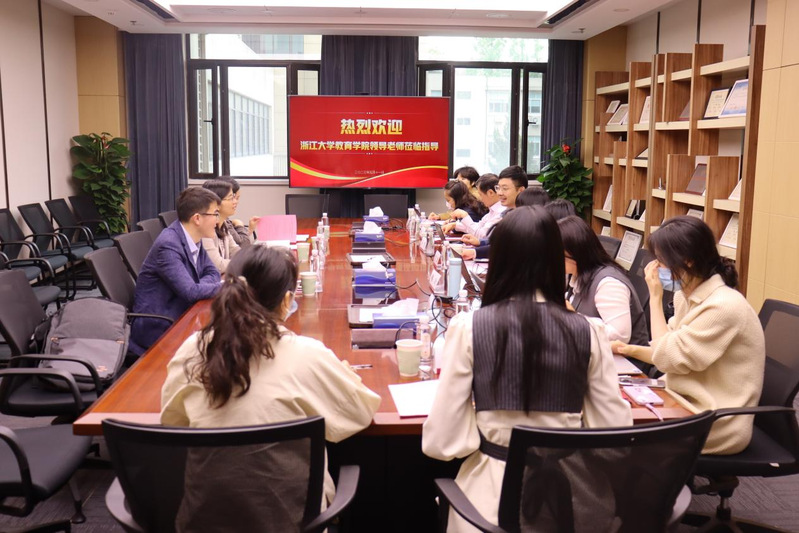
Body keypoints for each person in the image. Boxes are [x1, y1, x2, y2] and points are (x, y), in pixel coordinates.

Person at [422, 206, 632, 532]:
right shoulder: (590, 331)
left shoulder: (469, 327)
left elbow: (442, 441)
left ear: (498, 259)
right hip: (573, 505)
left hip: (489, 507)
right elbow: (613, 434)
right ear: (556, 260)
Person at [161, 245, 381, 527]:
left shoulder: (194, 349)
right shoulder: (306, 354)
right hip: (292, 522)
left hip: (203, 521)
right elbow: (359, 413)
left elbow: (172, 422)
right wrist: (346, 376)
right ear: (286, 301)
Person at [612, 216, 765, 454]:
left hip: (714, 421)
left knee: (616, 433)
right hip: (682, 400)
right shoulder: (686, 295)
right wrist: (626, 349)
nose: (654, 268)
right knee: (611, 407)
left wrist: (655, 299)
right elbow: (670, 349)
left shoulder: (723, 306)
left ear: (688, 261)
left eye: (661, 260)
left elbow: (668, 358)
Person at [131, 187, 223, 355]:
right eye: (215, 214)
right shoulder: (168, 245)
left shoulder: (193, 237)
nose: (218, 220)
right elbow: (190, 292)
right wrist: (227, 286)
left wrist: (199, 287)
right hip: (159, 328)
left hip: (182, 314)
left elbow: (213, 273)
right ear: (197, 218)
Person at [559, 216, 648, 345]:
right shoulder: (577, 274)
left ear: (576, 255)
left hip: (619, 357)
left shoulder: (609, 284)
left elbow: (619, 336)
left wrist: (574, 318)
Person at [459, 165, 528, 260]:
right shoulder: (508, 213)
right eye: (498, 188)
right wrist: (480, 242)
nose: (499, 193)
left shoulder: (526, 218)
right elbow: (500, 242)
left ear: (521, 190)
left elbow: (507, 248)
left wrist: (475, 252)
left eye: (505, 188)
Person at [443, 173, 505, 240]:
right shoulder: (492, 211)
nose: (480, 198)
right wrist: (455, 225)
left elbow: (482, 235)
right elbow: (479, 226)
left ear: (490, 193)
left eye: (480, 194)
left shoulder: (501, 212)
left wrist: (465, 216)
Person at [200, 179, 241, 273]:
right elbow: (218, 266)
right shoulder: (205, 228)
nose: (235, 202)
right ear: (216, 202)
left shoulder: (223, 224)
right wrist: (243, 262)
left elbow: (235, 251)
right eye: (231, 198)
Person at [217, 175, 259, 247]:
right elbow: (242, 245)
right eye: (232, 198)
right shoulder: (217, 223)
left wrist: (249, 230)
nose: (235, 202)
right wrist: (239, 225)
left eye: (237, 198)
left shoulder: (225, 221)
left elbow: (237, 245)